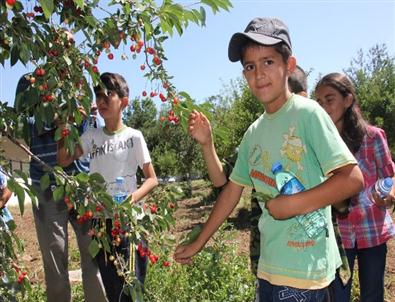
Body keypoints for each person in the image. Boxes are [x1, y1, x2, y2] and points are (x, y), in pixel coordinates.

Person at [175, 17, 364, 302]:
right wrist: (200, 241)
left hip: (305, 273)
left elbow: (352, 179)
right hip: (268, 268)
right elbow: (230, 191)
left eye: (268, 62)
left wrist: (291, 204)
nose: (259, 74)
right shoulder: (253, 133)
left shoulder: (308, 114)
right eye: (250, 66)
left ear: (289, 66)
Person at [57, 72, 158, 302]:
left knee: (131, 291)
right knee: (113, 291)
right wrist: (66, 124)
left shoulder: (134, 137)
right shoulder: (91, 136)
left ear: (124, 101)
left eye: (108, 95)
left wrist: (130, 200)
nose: (101, 101)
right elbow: (63, 159)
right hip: (101, 226)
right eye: (98, 95)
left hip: (129, 225)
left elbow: (152, 178)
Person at [14, 75, 108, 302]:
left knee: (94, 255)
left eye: (70, 41)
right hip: (47, 189)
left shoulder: (78, 82)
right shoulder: (32, 81)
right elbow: (22, 121)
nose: (65, 44)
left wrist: (82, 117)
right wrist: (62, 119)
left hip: (81, 188)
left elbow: (88, 129)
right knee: (55, 260)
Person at [315, 72, 395, 302]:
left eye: (329, 99)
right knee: (338, 296)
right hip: (339, 237)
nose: (323, 107)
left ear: (348, 100)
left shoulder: (373, 137)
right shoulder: (321, 143)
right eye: (319, 102)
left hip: (373, 230)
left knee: (372, 295)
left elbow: (390, 174)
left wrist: (389, 194)